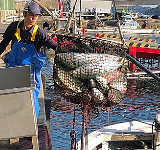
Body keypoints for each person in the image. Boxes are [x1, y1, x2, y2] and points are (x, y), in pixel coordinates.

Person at [0, 0, 57, 118]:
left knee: (31, 101)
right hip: (13, 70)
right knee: (11, 98)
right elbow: (3, 44)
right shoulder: (13, 27)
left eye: (36, 16)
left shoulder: (40, 34)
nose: (34, 18)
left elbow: (55, 47)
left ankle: (30, 123)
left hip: (31, 74)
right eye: (31, 15)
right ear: (24, 14)